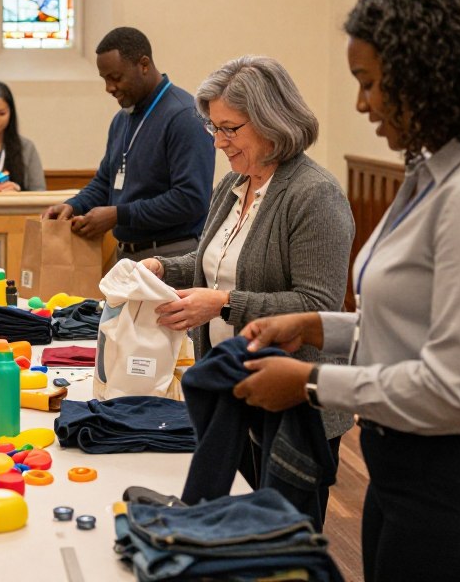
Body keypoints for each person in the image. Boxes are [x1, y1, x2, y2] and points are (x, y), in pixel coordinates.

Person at [233, 0, 460, 581]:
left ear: (424, 76)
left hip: (459, 478)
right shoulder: (430, 173)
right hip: (404, 465)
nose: (362, 104)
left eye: (371, 83)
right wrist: (316, 323)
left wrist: (310, 383)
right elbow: (411, 321)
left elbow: (455, 389)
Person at [140, 55, 355, 517]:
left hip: (290, 407)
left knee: (276, 542)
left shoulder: (314, 195)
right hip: (230, 395)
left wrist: (222, 305)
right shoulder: (235, 183)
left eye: (229, 129)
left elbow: (318, 305)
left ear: (271, 120)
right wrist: (162, 267)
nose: (218, 142)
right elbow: (213, 262)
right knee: (227, 531)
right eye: (212, 128)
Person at [42, 26, 214, 261]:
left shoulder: (185, 115)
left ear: (143, 65)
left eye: (115, 78)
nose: (109, 88)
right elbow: (105, 182)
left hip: (172, 256)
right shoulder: (122, 119)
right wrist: (74, 205)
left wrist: (119, 215)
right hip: (126, 255)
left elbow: (191, 199)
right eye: (104, 79)